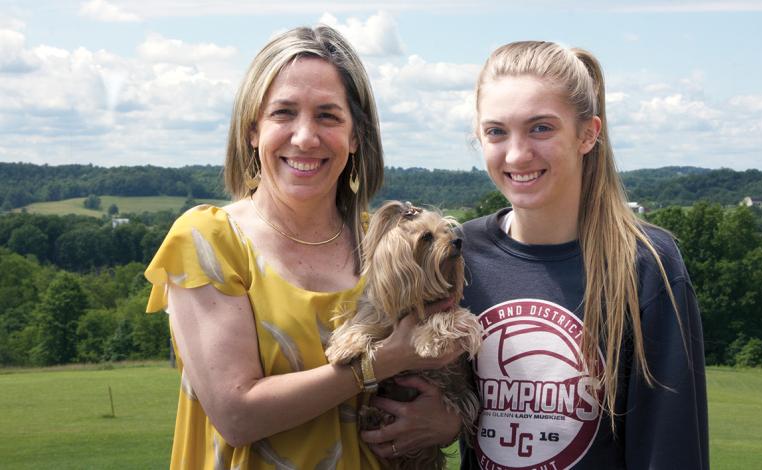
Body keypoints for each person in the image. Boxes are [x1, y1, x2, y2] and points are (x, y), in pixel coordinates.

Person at [364, 41, 709, 469]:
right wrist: (450, 422)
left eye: (541, 128)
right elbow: (430, 375)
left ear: (588, 134)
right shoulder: (459, 254)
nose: (516, 154)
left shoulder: (645, 263)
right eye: (496, 132)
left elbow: (670, 446)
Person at [144, 25, 460, 469]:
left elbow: (439, 363)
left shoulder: (390, 246)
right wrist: (382, 361)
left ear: (355, 137)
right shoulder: (207, 241)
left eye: (328, 116)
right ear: (253, 130)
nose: (305, 137)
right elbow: (237, 414)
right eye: (284, 113)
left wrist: (447, 423)